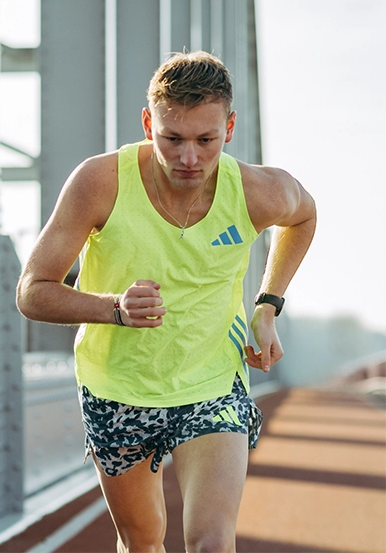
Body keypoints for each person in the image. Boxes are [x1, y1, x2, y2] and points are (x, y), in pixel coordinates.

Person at [16, 51, 316, 552]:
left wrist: (267, 305)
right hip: (118, 387)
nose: (189, 159)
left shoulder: (259, 191)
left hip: (211, 384)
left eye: (206, 140)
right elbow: (31, 291)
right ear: (147, 122)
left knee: (211, 543)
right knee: (143, 542)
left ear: (231, 127)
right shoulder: (100, 182)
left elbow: (304, 217)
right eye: (172, 139)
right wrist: (113, 309)